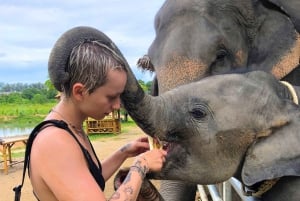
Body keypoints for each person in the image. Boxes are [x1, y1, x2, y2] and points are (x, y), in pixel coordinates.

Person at [29, 26, 167, 201]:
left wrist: (124, 152)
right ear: (80, 92)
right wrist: (141, 165)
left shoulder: (71, 128)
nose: (118, 105)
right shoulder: (54, 142)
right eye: (111, 97)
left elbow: (87, 181)